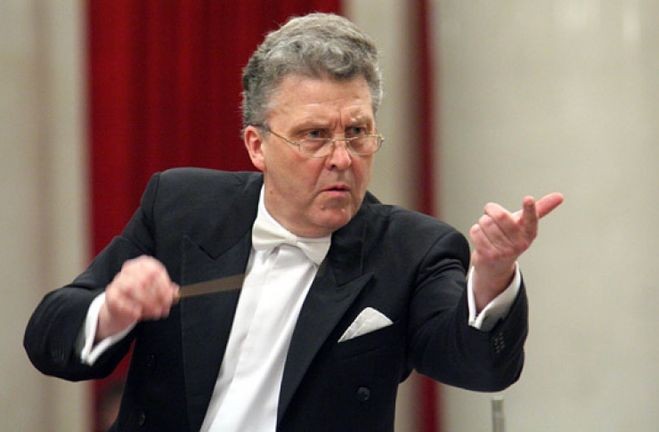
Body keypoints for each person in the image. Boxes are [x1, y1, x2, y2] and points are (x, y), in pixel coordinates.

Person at [24, 13, 563, 432]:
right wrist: (111, 310)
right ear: (257, 145)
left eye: (357, 132)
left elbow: (480, 367)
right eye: (314, 135)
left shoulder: (412, 249)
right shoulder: (182, 207)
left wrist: (493, 275)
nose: (342, 158)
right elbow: (48, 339)